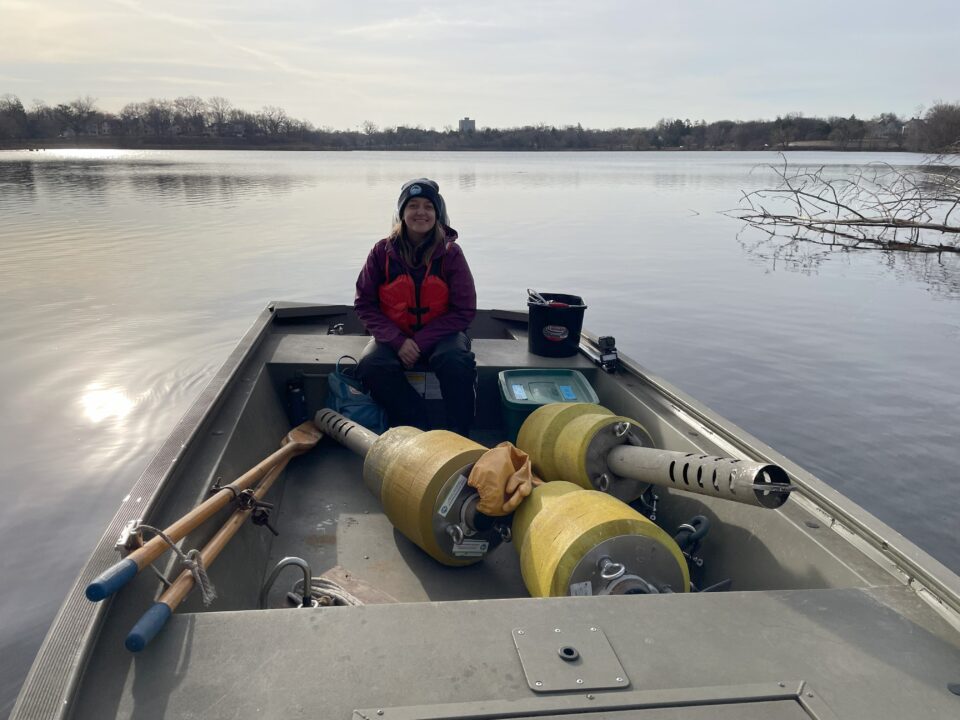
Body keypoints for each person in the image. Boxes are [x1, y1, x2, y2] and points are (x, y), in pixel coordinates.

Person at [354, 178, 477, 436]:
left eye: (428, 207)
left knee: (454, 360)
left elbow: (464, 310)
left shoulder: (451, 253)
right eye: (413, 206)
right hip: (394, 334)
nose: (421, 212)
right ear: (402, 213)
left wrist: (420, 341)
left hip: (444, 335)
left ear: (437, 214)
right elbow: (364, 303)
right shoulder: (380, 252)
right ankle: (415, 426)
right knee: (371, 366)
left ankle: (460, 432)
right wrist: (397, 340)